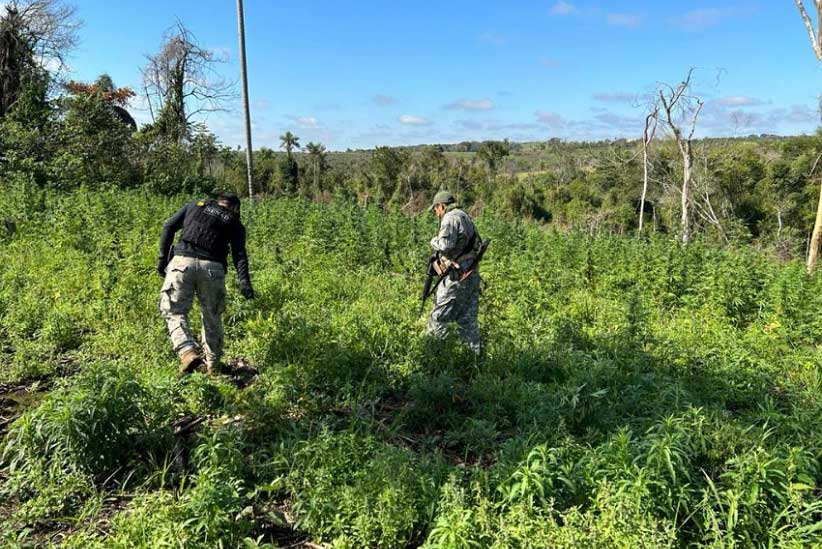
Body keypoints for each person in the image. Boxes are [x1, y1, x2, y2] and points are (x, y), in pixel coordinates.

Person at [157, 192, 254, 377]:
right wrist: (245, 283)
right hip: (213, 268)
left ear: (217, 202)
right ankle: (213, 368)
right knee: (212, 317)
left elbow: (168, 226)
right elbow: (239, 255)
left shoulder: (195, 206)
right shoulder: (235, 223)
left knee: (174, 310)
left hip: (181, 263)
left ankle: (187, 352)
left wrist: (162, 260)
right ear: (235, 208)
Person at [426, 190, 482, 354]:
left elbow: (444, 245)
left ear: (441, 206)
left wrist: (433, 241)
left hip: (456, 277)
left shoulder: (450, 218)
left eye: (436, 209)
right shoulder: (465, 216)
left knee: (439, 318)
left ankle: (432, 357)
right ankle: (472, 361)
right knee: (467, 321)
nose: (436, 214)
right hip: (471, 275)